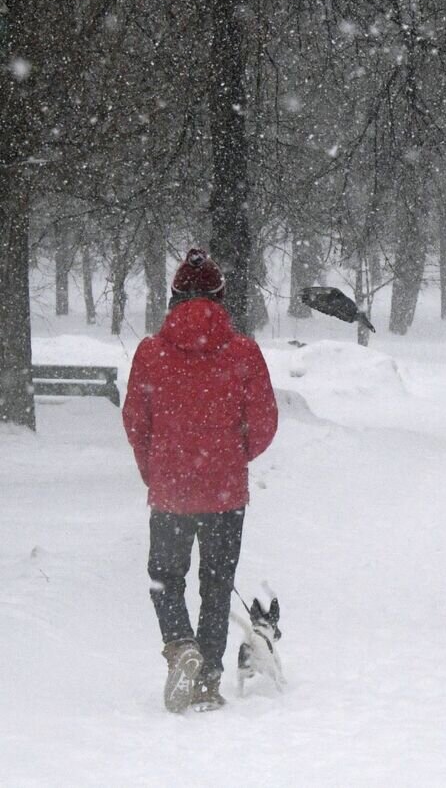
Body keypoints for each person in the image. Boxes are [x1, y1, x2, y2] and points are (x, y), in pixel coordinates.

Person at [122, 249, 278, 713]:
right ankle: (208, 678)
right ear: (220, 296)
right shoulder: (243, 351)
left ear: (174, 296)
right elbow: (265, 421)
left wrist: (158, 468)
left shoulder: (151, 352)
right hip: (225, 492)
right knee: (216, 582)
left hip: (171, 491)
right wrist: (231, 457)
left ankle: (179, 645)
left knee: (164, 579)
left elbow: (135, 420)